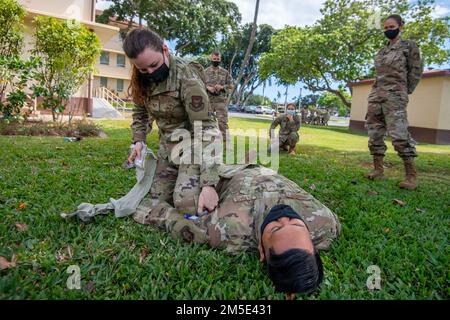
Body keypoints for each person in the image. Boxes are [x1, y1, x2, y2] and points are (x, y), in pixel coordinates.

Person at [133, 164, 341, 296]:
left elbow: (179, 224)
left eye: (275, 228)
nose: (283, 214)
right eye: (297, 224)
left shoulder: (229, 229)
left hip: (225, 176)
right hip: (252, 166)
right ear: (312, 242)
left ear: (261, 250)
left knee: (185, 201)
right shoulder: (324, 224)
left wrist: (146, 210)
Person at [123, 28, 221, 215]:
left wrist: (209, 184)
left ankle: (216, 180)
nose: (150, 72)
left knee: (187, 205)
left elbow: (206, 127)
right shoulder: (141, 80)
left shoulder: (186, 76)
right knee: (153, 202)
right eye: (143, 69)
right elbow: (140, 112)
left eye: (154, 65)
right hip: (167, 151)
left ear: (165, 50)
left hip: (193, 148)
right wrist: (138, 141)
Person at [365, 14, 423, 190]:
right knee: (374, 133)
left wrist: (404, 91)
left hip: (395, 96)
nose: (388, 30)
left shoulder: (409, 47)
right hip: (376, 96)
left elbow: (416, 71)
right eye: (385, 28)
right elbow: (379, 75)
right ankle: (378, 170)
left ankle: (411, 176)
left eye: (391, 27)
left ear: (400, 26)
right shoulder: (382, 51)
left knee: (399, 135)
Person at [204, 51, 234, 140]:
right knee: (207, 123)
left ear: (220, 59)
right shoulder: (205, 72)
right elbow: (199, 84)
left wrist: (222, 87)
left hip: (221, 102)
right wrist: (207, 87)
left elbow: (231, 86)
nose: (216, 60)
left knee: (222, 123)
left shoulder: (225, 73)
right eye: (214, 59)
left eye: (218, 59)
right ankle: (209, 141)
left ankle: (225, 142)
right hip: (208, 101)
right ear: (211, 59)